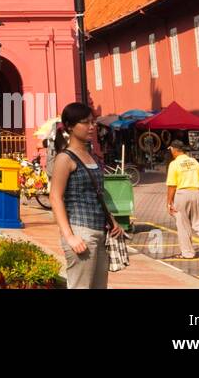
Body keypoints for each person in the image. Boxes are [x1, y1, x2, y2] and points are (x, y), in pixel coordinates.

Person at [49, 102, 125, 289]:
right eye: (85, 122)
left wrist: (112, 220)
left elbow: (97, 193)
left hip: (100, 231)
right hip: (80, 232)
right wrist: (70, 236)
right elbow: (55, 197)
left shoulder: (91, 155)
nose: (92, 127)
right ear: (69, 126)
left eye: (93, 122)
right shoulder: (65, 158)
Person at [166, 140, 199, 260]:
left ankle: (188, 253)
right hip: (196, 193)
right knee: (198, 220)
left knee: (183, 224)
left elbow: (171, 185)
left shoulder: (174, 164)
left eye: (171, 150)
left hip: (182, 194)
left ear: (174, 150)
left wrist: (169, 202)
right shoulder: (194, 162)